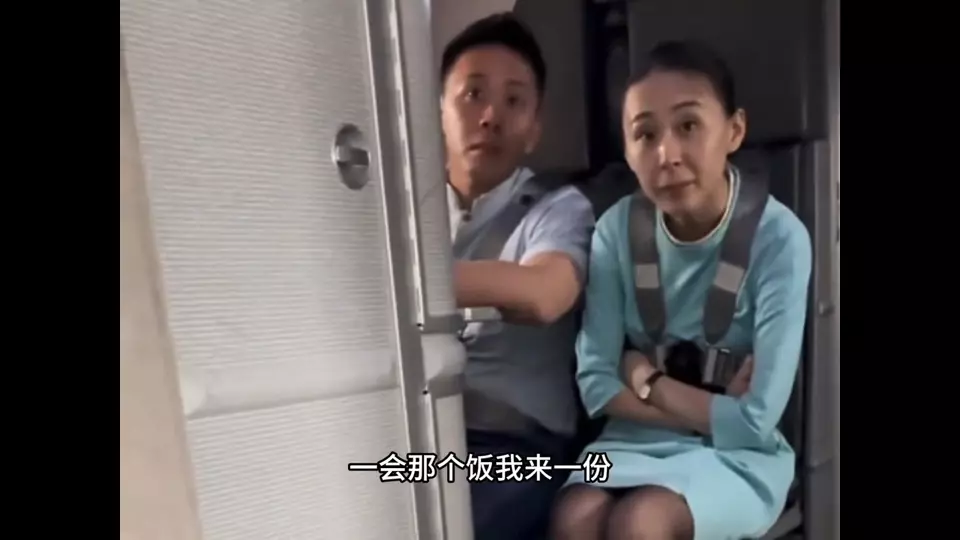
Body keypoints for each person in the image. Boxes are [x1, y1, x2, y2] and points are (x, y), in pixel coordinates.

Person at [549, 40, 813, 540]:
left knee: (641, 521)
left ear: (734, 130)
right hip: (631, 440)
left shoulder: (780, 239)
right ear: (627, 151)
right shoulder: (615, 232)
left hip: (738, 456)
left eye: (688, 126)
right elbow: (596, 384)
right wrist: (709, 412)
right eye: (645, 134)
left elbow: (755, 422)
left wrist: (646, 378)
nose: (666, 155)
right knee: (575, 516)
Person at [438, 13, 596, 540]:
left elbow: (545, 294)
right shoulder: (406, 217)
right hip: (423, 439)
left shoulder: (558, 209)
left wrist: (407, 282)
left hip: (519, 448)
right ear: (438, 111)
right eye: (473, 95)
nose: (491, 116)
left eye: (513, 101)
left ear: (534, 129)